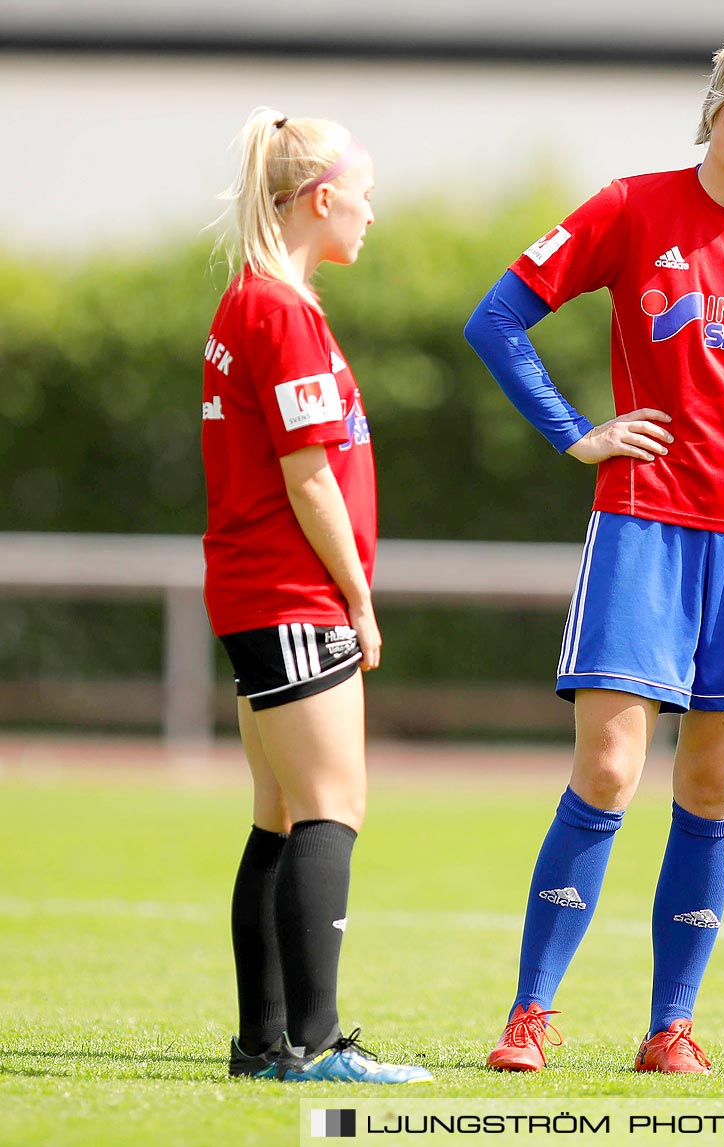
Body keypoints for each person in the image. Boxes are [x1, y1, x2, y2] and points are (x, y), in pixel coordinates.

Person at [464, 32, 724, 1075]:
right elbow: (497, 320)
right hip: (644, 520)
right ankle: (529, 1017)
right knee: (607, 768)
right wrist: (573, 430)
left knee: (714, 781)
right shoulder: (632, 207)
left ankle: (669, 1028)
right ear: (716, 108)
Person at [204, 106, 429, 1084]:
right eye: (364, 197)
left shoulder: (250, 300)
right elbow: (309, 477)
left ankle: (266, 1041)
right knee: (333, 803)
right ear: (322, 199)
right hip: (290, 590)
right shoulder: (280, 311)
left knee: (283, 811)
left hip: (256, 590)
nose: (371, 215)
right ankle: (318, 1046)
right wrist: (360, 599)